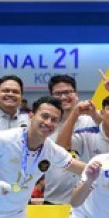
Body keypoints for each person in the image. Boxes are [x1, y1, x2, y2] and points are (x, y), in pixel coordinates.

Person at [43, 75, 98, 205]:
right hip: (54, 198)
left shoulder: (92, 121)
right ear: (51, 97)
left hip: (89, 201)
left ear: (76, 94)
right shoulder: (45, 126)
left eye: (68, 92)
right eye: (58, 93)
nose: (63, 97)